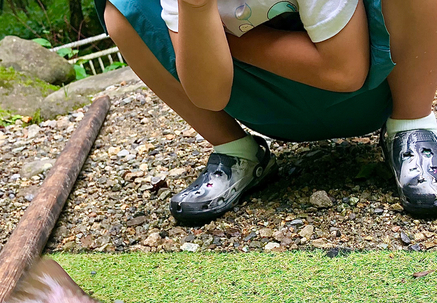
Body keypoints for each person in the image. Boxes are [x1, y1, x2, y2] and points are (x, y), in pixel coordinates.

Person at [94, 0, 437, 225]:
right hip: (259, 101)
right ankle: (235, 149)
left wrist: (226, 41)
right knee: (122, 10)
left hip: (375, 84)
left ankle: (413, 124)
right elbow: (209, 95)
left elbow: (345, 71)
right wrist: (195, 9)